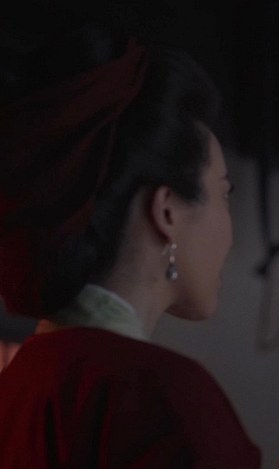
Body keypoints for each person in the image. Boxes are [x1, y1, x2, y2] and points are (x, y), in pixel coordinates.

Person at [0, 26, 260, 467]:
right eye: (224, 192)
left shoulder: (16, 388)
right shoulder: (168, 400)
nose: (230, 234)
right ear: (167, 211)